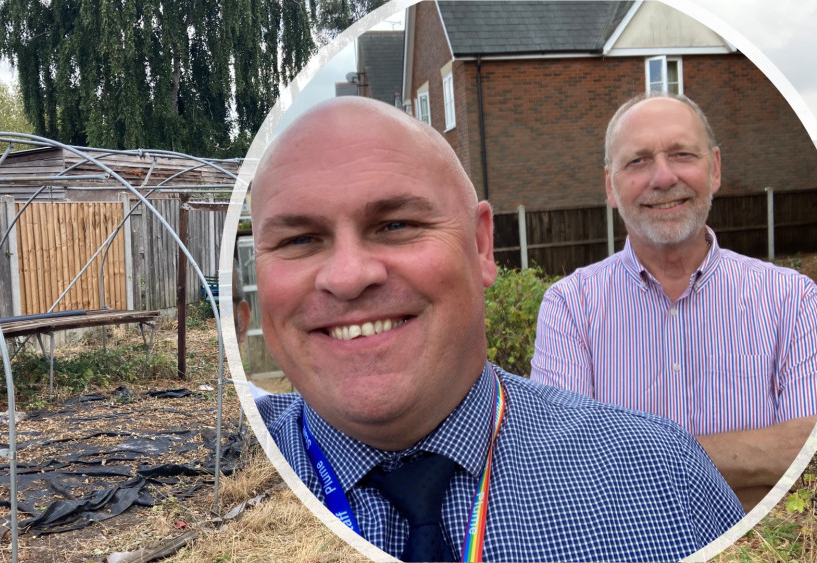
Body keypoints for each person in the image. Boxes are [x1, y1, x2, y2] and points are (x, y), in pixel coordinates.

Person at [249, 96, 743, 563]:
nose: (349, 276)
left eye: (396, 225)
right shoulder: (211, 483)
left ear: (482, 245)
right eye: (300, 239)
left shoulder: (665, 482)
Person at [531, 91, 817, 511]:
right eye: (638, 161)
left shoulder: (792, 299)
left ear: (714, 169)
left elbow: (806, 455)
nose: (663, 177)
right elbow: (563, 467)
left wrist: (630, 465)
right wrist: (753, 464)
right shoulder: (569, 307)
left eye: (682, 154)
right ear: (610, 187)